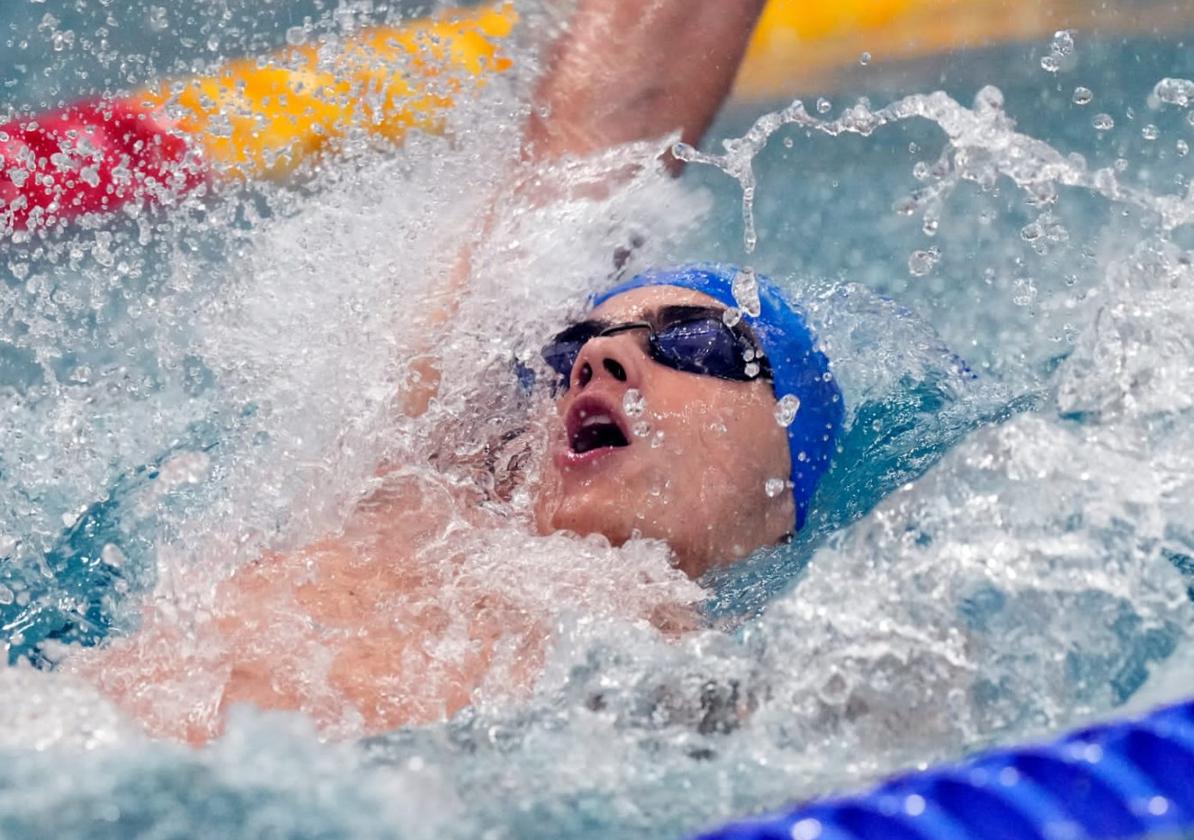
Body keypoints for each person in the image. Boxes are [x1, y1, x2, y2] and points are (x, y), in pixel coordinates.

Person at [76, 0, 843, 743]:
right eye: (566, 346)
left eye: (695, 344)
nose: (596, 358)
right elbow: (596, 147)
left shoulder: (752, 688)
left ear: (786, 493)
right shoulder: (424, 499)